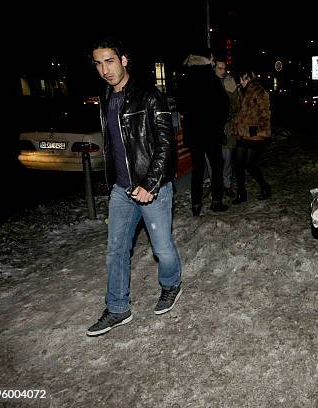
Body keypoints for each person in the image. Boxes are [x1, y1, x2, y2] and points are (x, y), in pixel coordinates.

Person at [86, 37, 183, 336]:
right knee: (115, 250)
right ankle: (117, 308)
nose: (105, 69)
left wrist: (150, 184)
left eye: (110, 61)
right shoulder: (105, 98)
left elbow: (166, 145)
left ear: (124, 59)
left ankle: (171, 284)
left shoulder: (149, 95)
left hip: (152, 187)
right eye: (99, 63)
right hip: (121, 190)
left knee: (162, 249)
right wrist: (114, 182)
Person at [178, 47, 230, 216]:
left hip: (193, 134)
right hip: (211, 132)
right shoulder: (211, 78)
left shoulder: (186, 77)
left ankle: (196, 204)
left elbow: (181, 105)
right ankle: (216, 201)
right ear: (208, 58)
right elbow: (224, 105)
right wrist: (218, 124)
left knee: (198, 169)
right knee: (216, 166)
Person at [231, 68, 272, 203]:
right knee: (238, 163)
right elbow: (239, 112)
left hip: (255, 134)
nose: (240, 82)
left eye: (242, 79)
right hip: (244, 134)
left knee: (249, 164)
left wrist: (260, 130)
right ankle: (242, 193)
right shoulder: (243, 91)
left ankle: (265, 187)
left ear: (247, 78)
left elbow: (264, 113)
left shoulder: (259, 91)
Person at [214, 55, 241, 198]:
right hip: (212, 125)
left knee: (227, 157)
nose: (223, 71)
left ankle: (227, 184)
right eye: (220, 68)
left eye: (224, 68)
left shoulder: (229, 81)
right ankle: (217, 186)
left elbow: (236, 103)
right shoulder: (209, 81)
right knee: (214, 158)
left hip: (227, 124)